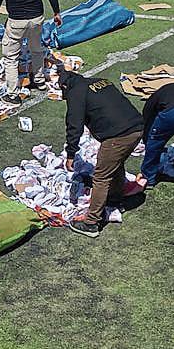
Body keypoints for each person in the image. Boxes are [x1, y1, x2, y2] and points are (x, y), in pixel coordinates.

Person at [59, 66, 145, 238]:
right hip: (137, 127)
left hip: (119, 135)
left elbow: (74, 125)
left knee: (101, 176)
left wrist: (71, 154)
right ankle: (115, 197)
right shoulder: (100, 82)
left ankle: (91, 222)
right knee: (115, 163)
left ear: (65, 87)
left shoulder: (76, 92)